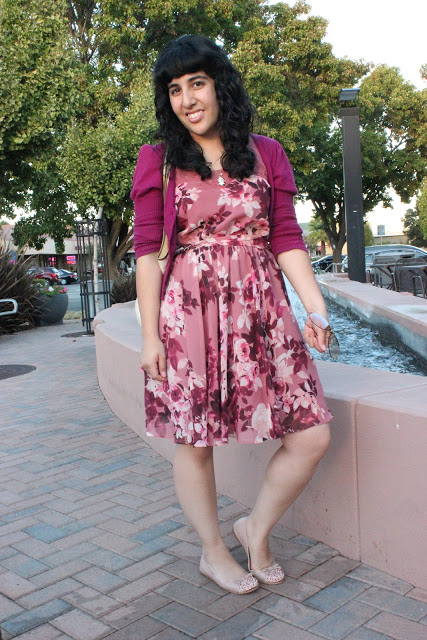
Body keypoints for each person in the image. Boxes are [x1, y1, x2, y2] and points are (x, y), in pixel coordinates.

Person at [131, 35, 333, 595]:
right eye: (174, 89)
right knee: (193, 442)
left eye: (197, 82)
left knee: (311, 434)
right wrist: (149, 337)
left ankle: (255, 528)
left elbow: (287, 236)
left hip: (263, 309)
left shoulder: (265, 151)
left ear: (221, 84)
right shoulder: (160, 159)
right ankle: (213, 550)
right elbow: (149, 252)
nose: (187, 99)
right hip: (188, 315)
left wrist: (315, 307)